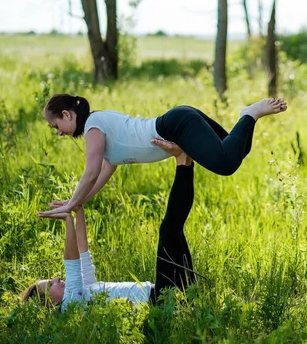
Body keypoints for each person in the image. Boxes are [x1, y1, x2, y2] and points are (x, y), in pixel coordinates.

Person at [39, 94, 287, 217]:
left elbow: (90, 171)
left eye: (56, 126)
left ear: (67, 114)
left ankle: (249, 114)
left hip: (176, 125)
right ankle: (248, 115)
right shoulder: (99, 129)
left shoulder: (94, 125)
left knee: (225, 163)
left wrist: (71, 203)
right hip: (179, 119)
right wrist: (79, 202)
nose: (58, 133)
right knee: (239, 149)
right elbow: (103, 172)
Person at [23, 144, 198, 309]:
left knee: (173, 229)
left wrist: (79, 211)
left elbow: (82, 253)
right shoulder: (71, 304)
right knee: (170, 229)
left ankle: (185, 162)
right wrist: (68, 221)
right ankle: (184, 163)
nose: (57, 278)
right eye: (51, 284)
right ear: (51, 302)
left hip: (156, 292)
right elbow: (72, 265)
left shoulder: (84, 292)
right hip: (155, 299)